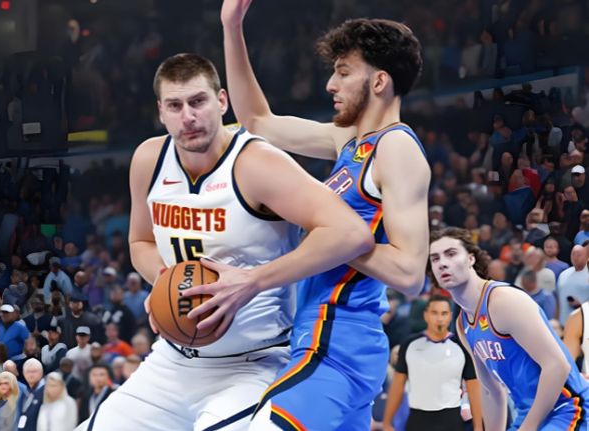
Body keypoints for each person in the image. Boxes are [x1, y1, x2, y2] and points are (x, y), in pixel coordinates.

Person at [84, 51, 375, 431]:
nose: (188, 116)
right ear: (161, 112)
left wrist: (251, 281)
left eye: (198, 101)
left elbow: (351, 234)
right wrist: (165, 282)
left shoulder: (257, 163)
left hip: (254, 362)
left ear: (221, 101)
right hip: (172, 360)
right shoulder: (148, 159)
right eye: (175, 105)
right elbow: (140, 242)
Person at [184, 2, 429, 428]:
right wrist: (232, 26)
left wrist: (333, 234)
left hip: (338, 342)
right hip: (315, 337)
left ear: (379, 81)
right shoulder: (349, 141)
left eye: (344, 72)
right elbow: (257, 121)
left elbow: (409, 273)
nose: (331, 83)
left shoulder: (397, 147)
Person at [429, 227, 589, 430]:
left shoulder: (503, 300)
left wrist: (527, 428)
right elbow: (490, 390)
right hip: (528, 413)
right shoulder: (463, 323)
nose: (442, 263)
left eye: (451, 254)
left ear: (470, 259)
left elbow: (557, 366)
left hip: (569, 407)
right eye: (435, 258)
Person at [383, 296, 482, 431]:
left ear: (450, 316)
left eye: (444, 313)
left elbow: (473, 388)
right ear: (426, 315)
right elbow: (397, 386)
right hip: (418, 419)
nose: (439, 318)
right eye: (434, 313)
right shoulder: (409, 345)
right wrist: (387, 422)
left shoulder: (462, 347)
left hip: (451, 419)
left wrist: (478, 426)